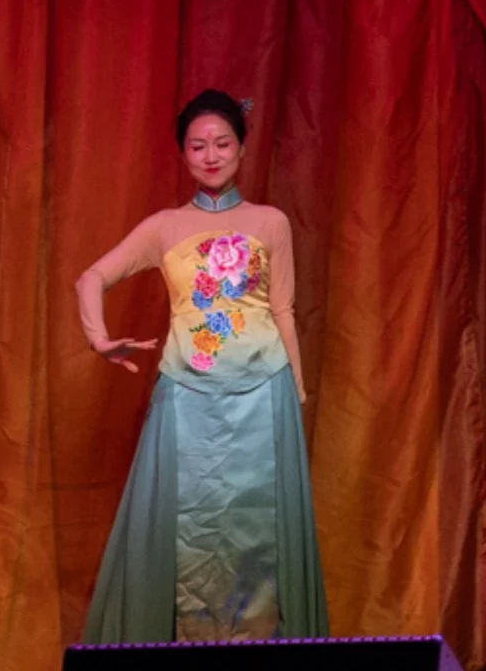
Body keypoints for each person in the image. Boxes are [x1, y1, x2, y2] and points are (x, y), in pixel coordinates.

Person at [78, 89, 328, 641]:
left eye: (222, 143)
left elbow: (283, 311)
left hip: (265, 391)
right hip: (185, 395)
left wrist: (296, 390)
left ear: (241, 148)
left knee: (263, 530)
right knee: (180, 531)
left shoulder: (271, 222)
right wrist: (99, 340)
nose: (211, 155)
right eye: (198, 146)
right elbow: (90, 277)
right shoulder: (164, 227)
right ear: (183, 153)